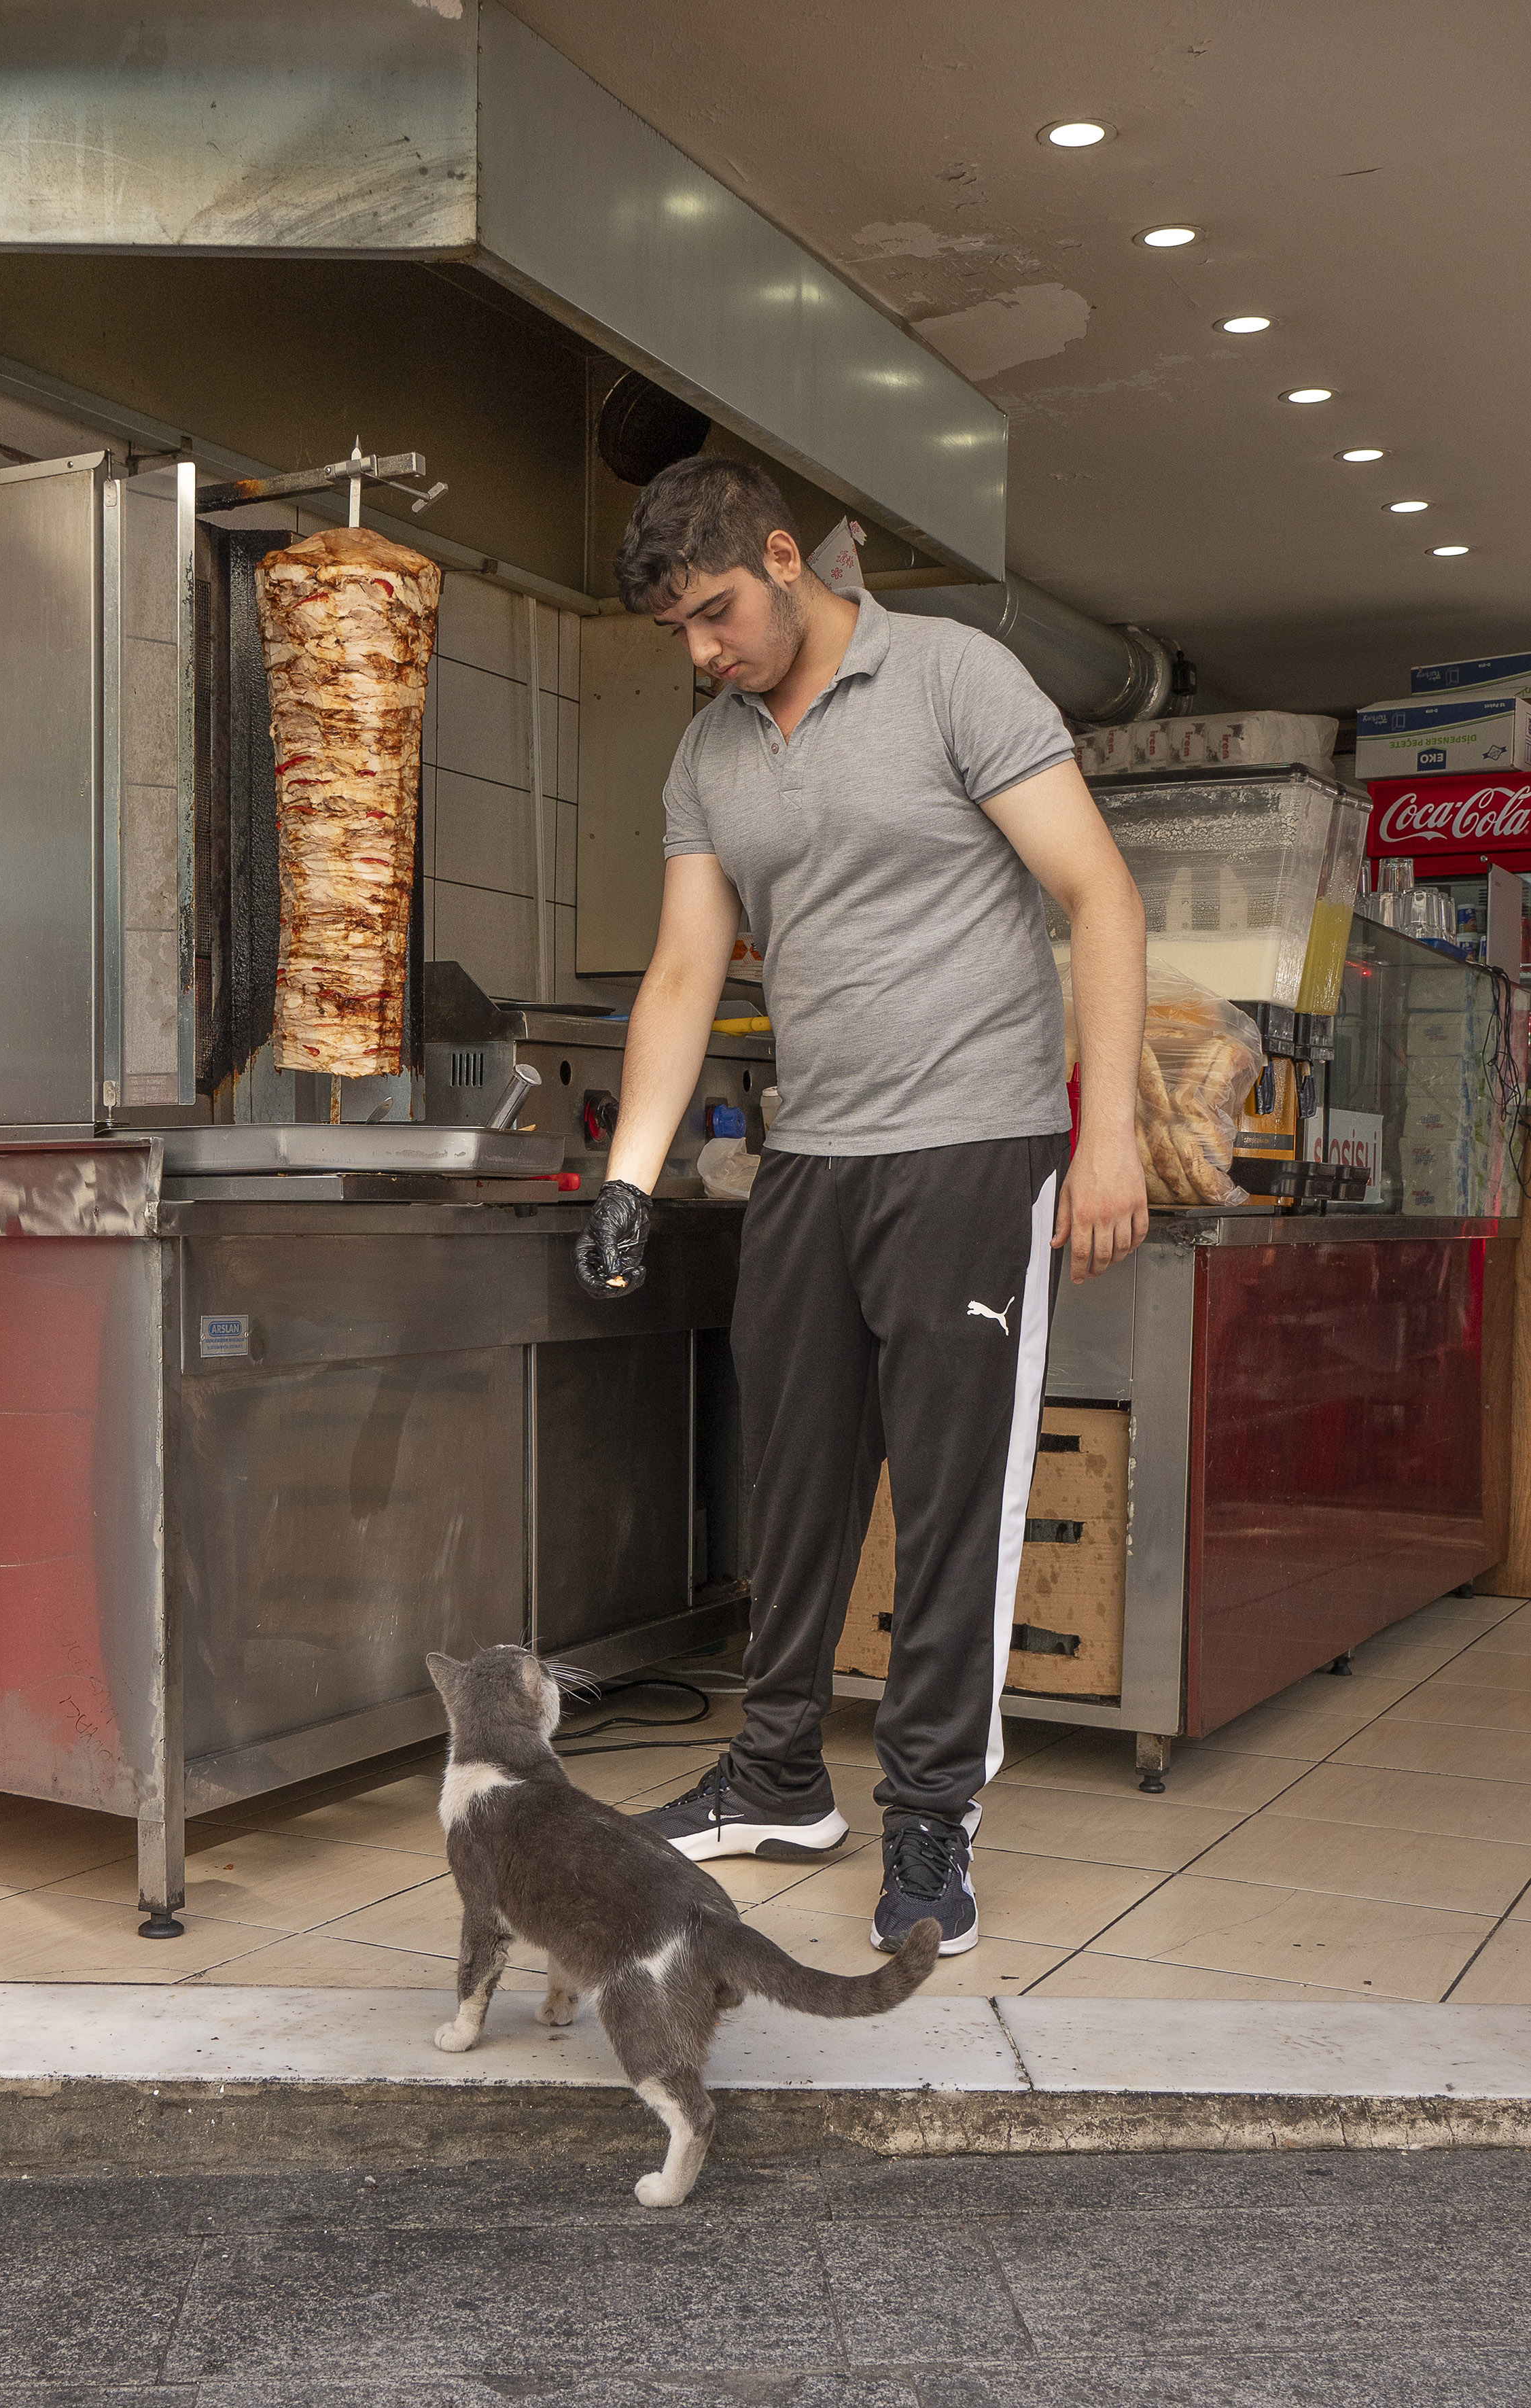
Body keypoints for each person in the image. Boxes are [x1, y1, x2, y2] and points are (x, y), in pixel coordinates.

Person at [574, 457, 1148, 1958]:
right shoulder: (708, 754)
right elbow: (688, 970)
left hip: (976, 1142)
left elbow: (1100, 895)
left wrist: (1109, 1137)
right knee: (798, 1480)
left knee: (953, 1503)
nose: (703, 651)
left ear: (785, 558)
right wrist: (629, 1171)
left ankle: (931, 1818)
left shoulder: (955, 675)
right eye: (681, 633)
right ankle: (777, 1774)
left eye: (718, 614)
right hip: (814, 1156)